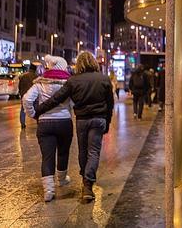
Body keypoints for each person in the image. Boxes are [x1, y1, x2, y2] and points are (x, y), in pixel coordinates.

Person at [34, 52, 114, 202]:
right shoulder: (104, 79)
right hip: (99, 119)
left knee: (83, 151)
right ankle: (88, 184)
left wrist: (38, 111)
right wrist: (107, 122)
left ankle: (86, 179)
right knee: (94, 152)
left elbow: (57, 99)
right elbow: (110, 104)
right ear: (94, 63)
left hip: (82, 120)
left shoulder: (73, 80)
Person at [23, 56, 73, 202]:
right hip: (64, 122)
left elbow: (26, 99)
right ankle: (62, 180)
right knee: (63, 153)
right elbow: (75, 103)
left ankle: (49, 191)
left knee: (47, 156)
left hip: (45, 123)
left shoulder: (40, 83)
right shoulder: (68, 83)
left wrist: (32, 114)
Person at [18, 63, 39, 129]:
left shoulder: (23, 76)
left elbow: (20, 86)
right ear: (35, 70)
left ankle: (23, 124)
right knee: (37, 109)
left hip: (24, 96)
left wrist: (21, 93)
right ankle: (38, 122)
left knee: (23, 110)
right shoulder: (37, 77)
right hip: (34, 96)